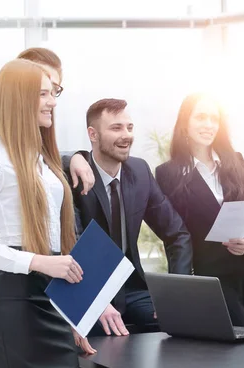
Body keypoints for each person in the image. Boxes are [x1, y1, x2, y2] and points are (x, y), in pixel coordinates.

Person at [0, 59, 94, 368]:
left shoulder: (40, 157)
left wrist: (72, 315)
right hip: (13, 304)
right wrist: (37, 262)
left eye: (54, 93)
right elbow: (42, 258)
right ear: (17, 98)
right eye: (43, 94)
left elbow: (56, 244)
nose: (53, 101)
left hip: (48, 300)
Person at [65, 98, 193, 337]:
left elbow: (177, 234)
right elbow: (71, 248)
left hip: (131, 288)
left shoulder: (140, 171)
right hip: (86, 287)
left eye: (129, 127)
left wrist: (177, 294)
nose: (126, 135)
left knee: (182, 323)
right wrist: (94, 300)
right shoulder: (73, 178)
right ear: (93, 134)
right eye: (116, 128)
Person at [156, 93, 244, 327]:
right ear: (185, 124)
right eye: (200, 117)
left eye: (214, 119)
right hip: (212, 277)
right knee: (234, 349)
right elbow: (175, 234)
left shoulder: (236, 162)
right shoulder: (168, 174)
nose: (208, 125)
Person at [17, 47, 95, 194]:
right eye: (43, 91)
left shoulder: (37, 146)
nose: (52, 101)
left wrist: (72, 157)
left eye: (54, 90)